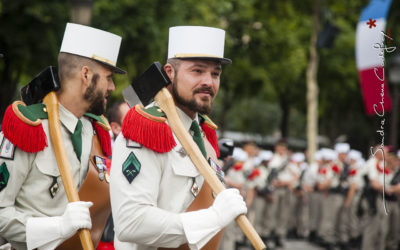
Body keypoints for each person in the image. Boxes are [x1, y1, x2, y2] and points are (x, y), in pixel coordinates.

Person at [110, 26, 247, 250]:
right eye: (197, 71)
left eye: (215, 74)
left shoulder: (204, 132)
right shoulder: (147, 128)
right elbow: (130, 222)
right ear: (169, 72)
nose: (209, 82)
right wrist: (213, 218)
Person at [0, 23, 125, 249]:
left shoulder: (95, 131)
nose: (112, 87)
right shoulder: (28, 128)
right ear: (86, 74)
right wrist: (56, 228)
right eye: (108, 77)